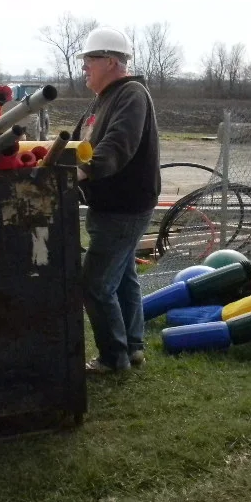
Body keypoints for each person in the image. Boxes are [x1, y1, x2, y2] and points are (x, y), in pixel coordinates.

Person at [71, 26, 161, 374]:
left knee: (94, 284)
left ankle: (113, 357)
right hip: (110, 205)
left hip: (125, 207)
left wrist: (83, 171)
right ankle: (133, 347)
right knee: (122, 276)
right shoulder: (103, 99)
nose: (84, 67)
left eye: (89, 60)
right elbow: (81, 143)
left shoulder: (131, 95)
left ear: (110, 61)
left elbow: (116, 147)